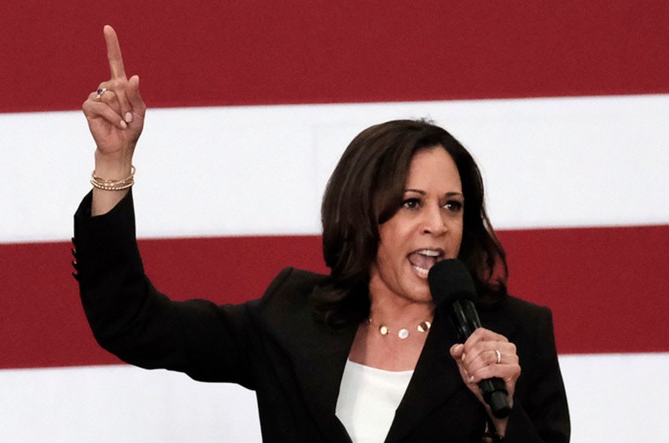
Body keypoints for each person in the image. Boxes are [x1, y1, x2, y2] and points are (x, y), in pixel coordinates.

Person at [73, 25, 570, 442]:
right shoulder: (292, 315)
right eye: (412, 203)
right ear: (362, 213)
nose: (437, 225)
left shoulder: (514, 334)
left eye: (453, 206)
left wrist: (501, 413)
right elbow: (131, 322)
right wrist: (113, 163)